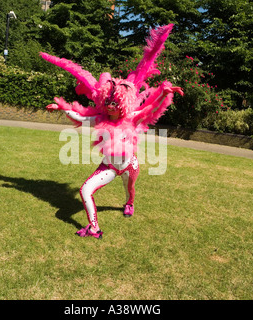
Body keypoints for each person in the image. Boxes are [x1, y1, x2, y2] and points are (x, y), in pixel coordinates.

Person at [41, 24, 183, 239]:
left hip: (129, 165)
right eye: (108, 102)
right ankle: (94, 228)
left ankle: (129, 203)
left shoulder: (132, 118)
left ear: (124, 103)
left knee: (129, 191)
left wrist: (164, 92)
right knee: (85, 191)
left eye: (115, 103)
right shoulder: (99, 118)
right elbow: (80, 117)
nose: (111, 106)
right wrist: (62, 107)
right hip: (108, 166)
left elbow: (151, 108)